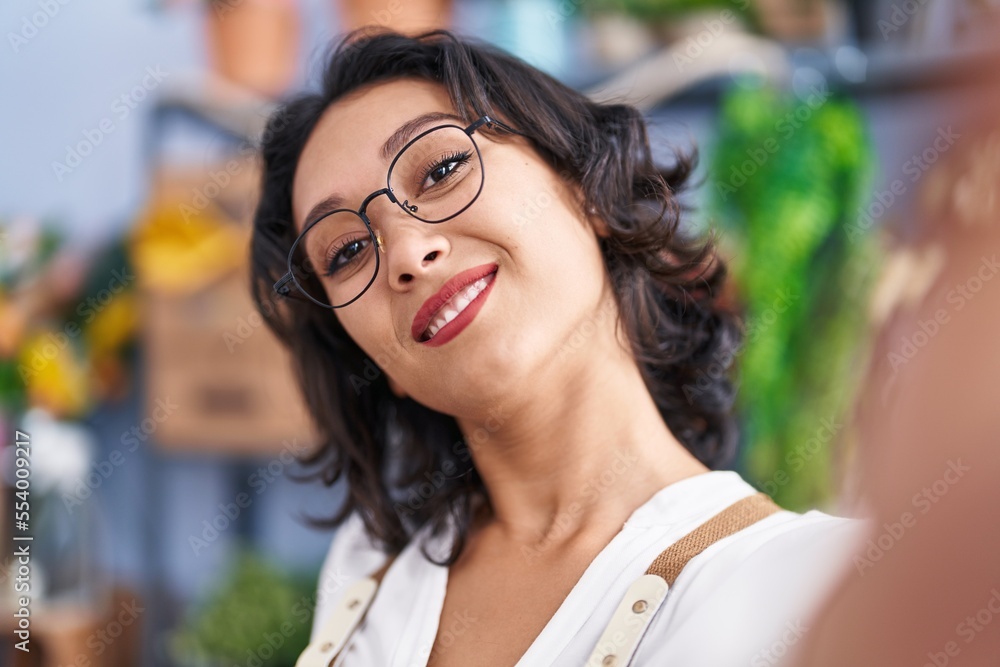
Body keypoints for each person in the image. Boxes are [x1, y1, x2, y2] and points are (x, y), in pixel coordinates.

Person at [249, 28, 864, 667]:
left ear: (589, 188)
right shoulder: (369, 567)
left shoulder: (817, 586)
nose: (405, 253)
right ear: (373, 360)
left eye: (440, 169)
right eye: (346, 252)